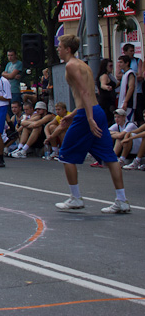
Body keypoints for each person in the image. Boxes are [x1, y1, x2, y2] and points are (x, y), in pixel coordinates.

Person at [48, 34, 129, 213]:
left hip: (88, 114)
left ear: (68, 49)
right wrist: (74, 114)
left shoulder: (70, 65)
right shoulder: (83, 65)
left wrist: (88, 118)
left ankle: (75, 198)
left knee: (66, 154)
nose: (58, 49)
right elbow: (90, 95)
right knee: (109, 156)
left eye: (60, 47)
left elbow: (84, 93)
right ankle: (122, 200)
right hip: (93, 111)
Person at [122, 43, 143, 125]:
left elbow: (140, 76)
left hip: (137, 92)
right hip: (125, 93)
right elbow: (118, 75)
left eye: (133, 51)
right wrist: (134, 75)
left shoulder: (137, 61)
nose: (133, 52)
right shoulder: (122, 62)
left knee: (139, 114)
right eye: (130, 51)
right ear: (125, 52)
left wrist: (131, 76)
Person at [117, 55, 136, 123]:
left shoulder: (130, 73)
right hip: (122, 102)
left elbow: (131, 88)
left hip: (128, 104)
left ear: (127, 63)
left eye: (121, 62)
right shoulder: (124, 74)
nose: (119, 64)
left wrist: (125, 101)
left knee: (127, 121)